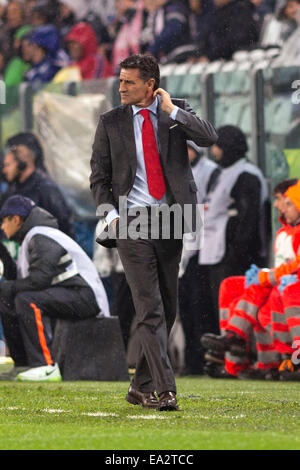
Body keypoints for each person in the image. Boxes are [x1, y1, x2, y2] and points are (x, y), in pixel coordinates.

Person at [90, 54, 217, 411]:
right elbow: (98, 179)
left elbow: (210, 137)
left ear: (150, 85)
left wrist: (173, 110)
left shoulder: (175, 113)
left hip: (171, 218)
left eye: (129, 82)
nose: (121, 87)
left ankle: (138, 386)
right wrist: (110, 217)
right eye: (120, 80)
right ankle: (165, 389)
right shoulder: (110, 122)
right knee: (149, 307)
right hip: (129, 221)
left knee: (168, 307)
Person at [0, 195, 109, 382]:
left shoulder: (41, 235)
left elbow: (39, 280)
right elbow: (18, 281)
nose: (2, 227)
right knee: (8, 298)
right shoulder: (31, 237)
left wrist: (6, 287)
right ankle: (24, 364)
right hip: (73, 293)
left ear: (16, 219)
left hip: (87, 297)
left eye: (3, 221)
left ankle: (45, 365)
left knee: (26, 299)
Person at [201, 178, 300, 379]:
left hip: (288, 286)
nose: (279, 206)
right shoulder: (284, 231)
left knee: (263, 296)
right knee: (232, 286)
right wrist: (268, 274)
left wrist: (268, 276)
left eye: (286, 201)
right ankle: (234, 353)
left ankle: (240, 342)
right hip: (283, 282)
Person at [196, 125, 269, 332]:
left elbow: (248, 222)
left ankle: (238, 356)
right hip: (215, 253)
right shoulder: (222, 172)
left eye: (217, 146)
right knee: (220, 308)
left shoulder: (247, 175)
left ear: (229, 146)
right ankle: (224, 355)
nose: (214, 152)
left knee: (237, 308)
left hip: (234, 258)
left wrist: (236, 253)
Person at [178, 140, 220, 375]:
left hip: (202, 249)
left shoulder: (210, 172)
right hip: (182, 247)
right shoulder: (176, 168)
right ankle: (191, 361)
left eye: (189, 149)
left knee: (200, 307)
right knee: (185, 309)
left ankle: (206, 361)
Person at [1, 139, 74, 237]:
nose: (4, 170)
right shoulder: (13, 189)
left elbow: (64, 224)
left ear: (22, 164)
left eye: (8, 165)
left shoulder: (46, 188)